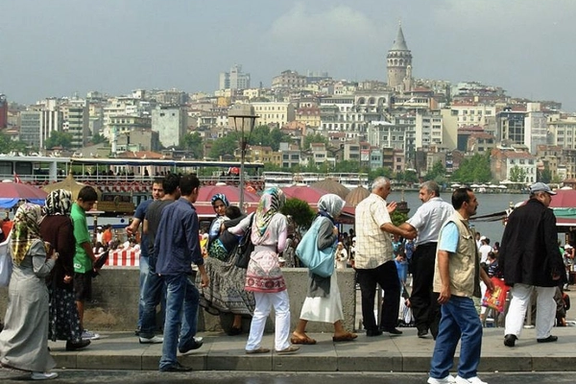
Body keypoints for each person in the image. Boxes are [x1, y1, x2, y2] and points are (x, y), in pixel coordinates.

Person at [427, 188, 494, 384]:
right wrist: (446, 286)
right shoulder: (453, 225)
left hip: (460, 286)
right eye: (474, 200)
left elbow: (469, 257)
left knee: (450, 330)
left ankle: (438, 374)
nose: (477, 203)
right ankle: (467, 374)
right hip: (456, 288)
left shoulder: (465, 226)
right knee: (473, 327)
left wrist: (485, 278)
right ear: (465, 204)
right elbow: (443, 255)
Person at [229, 186, 299, 355]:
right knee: (282, 305)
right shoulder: (280, 218)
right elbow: (281, 245)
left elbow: (236, 229)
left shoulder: (254, 215)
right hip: (270, 262)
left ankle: (252, 345)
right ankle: (281, 344)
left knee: (260, 308)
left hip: (254, 262)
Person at [500, 182, 565, 347]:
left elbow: (506, 241)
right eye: (549, 196)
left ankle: (511, 333)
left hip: (518, 265)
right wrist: (556, 267)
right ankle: (543, 333)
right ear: (541, 195)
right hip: (542, 265)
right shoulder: (546, 214)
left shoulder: (515, 214)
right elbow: (551, 243)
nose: (551, 199)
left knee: (519, 298)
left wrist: (503, 265)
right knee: (546, 298)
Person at [155, 174, 209, 372]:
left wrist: (157, 263)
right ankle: (168, 360)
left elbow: (159, 238)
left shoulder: (169, 209)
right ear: (195, 190)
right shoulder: (189, 213)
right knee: (173, 315)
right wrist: (203, 272)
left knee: (192, 296)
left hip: (166, 265)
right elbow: (194, 246)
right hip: (177, 267)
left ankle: (186, 339)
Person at [0, 203, 59, 380]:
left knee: (15, 325)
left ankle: (6, 353)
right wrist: (53, 259)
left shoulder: (14, 242)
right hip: (33, 289)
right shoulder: (36, 243)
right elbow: (41, 271)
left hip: (16, 286)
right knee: (35, 329)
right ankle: (35, 368)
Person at [291, 194, 357, 345]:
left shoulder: (320, 218)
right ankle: (299, 331)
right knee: (316, 297)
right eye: (338, 208)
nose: (340, 211)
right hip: (322, 267)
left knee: (331, 295)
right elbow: (322, 243)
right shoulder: (327, 221)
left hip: (320, 266)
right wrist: (335, 236)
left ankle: (339, 330)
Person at [355, 177, 416, 337]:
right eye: (388, 189)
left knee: (367, 295)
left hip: (362, 256)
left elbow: (373, 221)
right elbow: (383, 225)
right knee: (393, 289)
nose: (389, 192)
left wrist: (386, 213)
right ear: (381, 189)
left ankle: (370, 327)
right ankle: (388, 323)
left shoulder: (361, 205)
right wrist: (404, 232)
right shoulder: (379, 203)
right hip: (379, 255)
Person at [399, 181, 454, 339]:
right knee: (437, 288)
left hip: (426, 250)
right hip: (445, 248)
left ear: (432, 193)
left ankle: (422, 324)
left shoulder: (426, 208)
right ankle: (436, 327)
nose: (420, 197)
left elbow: (410, 227)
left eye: (422, 194)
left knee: (419, 288)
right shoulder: (450, 208)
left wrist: (392, 226)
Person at [40, 189, 90, 351]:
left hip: (45, 270)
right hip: (60, 272)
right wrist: (68, 270)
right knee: (67, 307)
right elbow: (64, 248)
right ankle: (73, 338)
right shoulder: (65, 222)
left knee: (46, 309)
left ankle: (43, 341)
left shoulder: (44, 221)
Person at [200, 203, 254, 335]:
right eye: (216, 207)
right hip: (224, 261)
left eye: (221, 206)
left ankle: (237, 321)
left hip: (235, 261)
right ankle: (235, 321)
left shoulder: (233, 223)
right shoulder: (218, 222)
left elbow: (246, 218)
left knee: (236, 286)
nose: (219, 209)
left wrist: (226, 225)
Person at [139, 173, 180, 344]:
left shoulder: (152, 207)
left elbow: (146, 229)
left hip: (154, 254)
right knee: (172, 296)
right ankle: (173, 333)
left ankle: (146, 331)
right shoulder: (173, 208)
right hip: (169, 256)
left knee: (150, 296)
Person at [126, 177, 164, 335]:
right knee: (144, 293)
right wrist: (132, 228)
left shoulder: (168, 206)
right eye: (154, 189)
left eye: (159, 190)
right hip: (148, 255)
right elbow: (135, 223)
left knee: (164, 294)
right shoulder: (144, 205)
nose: (156, 193)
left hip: (163, 255)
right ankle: (143, 324)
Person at [71, 186, 100, 341]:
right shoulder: (78, 217)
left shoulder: (75, 211)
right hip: (80, 261)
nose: (91, 207)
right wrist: (94, 258)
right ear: (80, 200)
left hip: (77, 260)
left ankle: (77, 327)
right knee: (79, 297)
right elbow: (83, 242)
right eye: (89, 204)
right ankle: (79, 328)